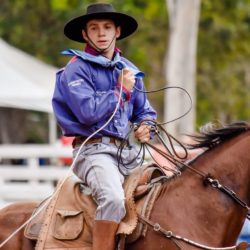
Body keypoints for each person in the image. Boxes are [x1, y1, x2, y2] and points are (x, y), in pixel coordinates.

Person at [52, 3, 157, 250]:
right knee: (112, 199)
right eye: (94, 28)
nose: (101, 33)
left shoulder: (129, 70)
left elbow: (145, 111)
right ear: (84, 34)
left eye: (107, 27)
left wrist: (146, 127)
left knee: (166, 188)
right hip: (93, 152)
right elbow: (88, 113)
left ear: (117, 32)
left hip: (127, 153)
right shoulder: (76, 69)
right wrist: (121, 90)